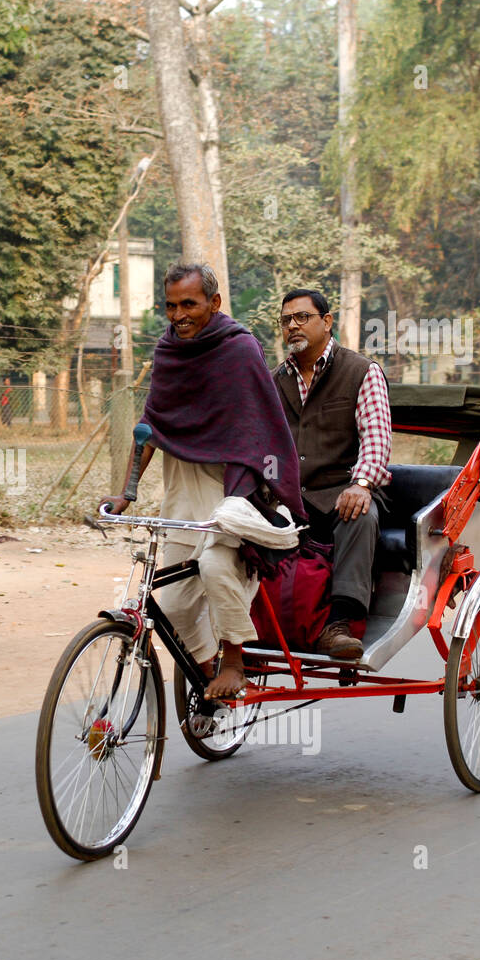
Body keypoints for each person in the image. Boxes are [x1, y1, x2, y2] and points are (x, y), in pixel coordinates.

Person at [100, 263, 306, 701]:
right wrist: (128, 492)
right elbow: (150, 424)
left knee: (215, 566)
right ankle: (206, 667)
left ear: (214, 303)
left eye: (189, 304)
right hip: (181, 485)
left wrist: (246, 493)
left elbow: (258, 429)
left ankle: (234, 658)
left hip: (233, 485)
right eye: (171, 306)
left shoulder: (240, 349)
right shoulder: (168, 351)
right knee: (168, 604)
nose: (179, 315)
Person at [273, 288, 392, 660]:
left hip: (343, 490)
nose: (293, 325)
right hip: (291, 497)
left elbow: (376, 438)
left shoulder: (361, 371)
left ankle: (340, 624)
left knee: (359, 513)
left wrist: (361, 484)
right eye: (286, 320)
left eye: (302, 317)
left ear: (327, 322)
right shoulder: (274, 379)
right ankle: (253, 621)